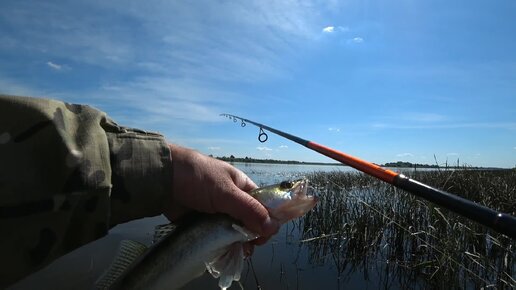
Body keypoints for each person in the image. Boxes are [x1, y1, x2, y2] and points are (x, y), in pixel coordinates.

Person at [0, 94, 280, 288]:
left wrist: (168, 173)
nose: (289, 190)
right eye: (285, 186)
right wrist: (170, 170)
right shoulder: (236, 214)